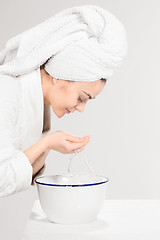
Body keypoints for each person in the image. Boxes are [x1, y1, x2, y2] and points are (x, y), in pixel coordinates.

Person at [0, 4, 127, 240]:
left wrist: (50, 143)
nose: (80, 108)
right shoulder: (5, 90)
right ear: (61, 74)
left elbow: (23, 175)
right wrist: (47, 143)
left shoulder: (38, 102)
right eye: (81, 97)